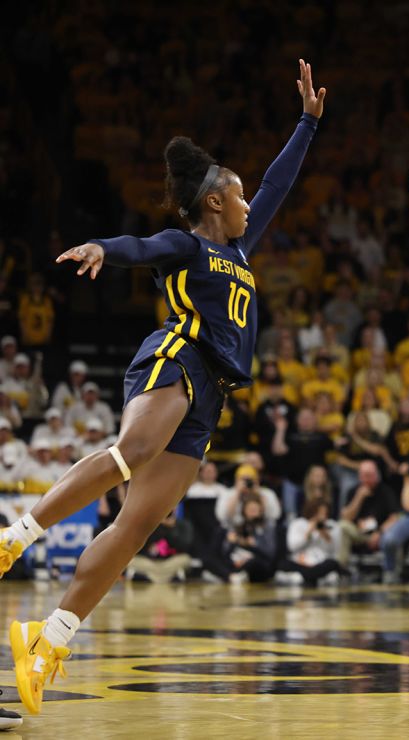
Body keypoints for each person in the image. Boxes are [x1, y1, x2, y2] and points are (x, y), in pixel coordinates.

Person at [0, 59, 325, 715]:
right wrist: (101, 247)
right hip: (177, 357)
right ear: (213, 202)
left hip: (213, 393)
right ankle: (16, 534)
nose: (246, 205)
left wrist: (308, 123)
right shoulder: (187, 245)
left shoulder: (240, 248)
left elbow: (277, 184)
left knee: (135, 525)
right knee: (132, 453)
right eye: (236, 197)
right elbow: (139, 247)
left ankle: (48, 640)